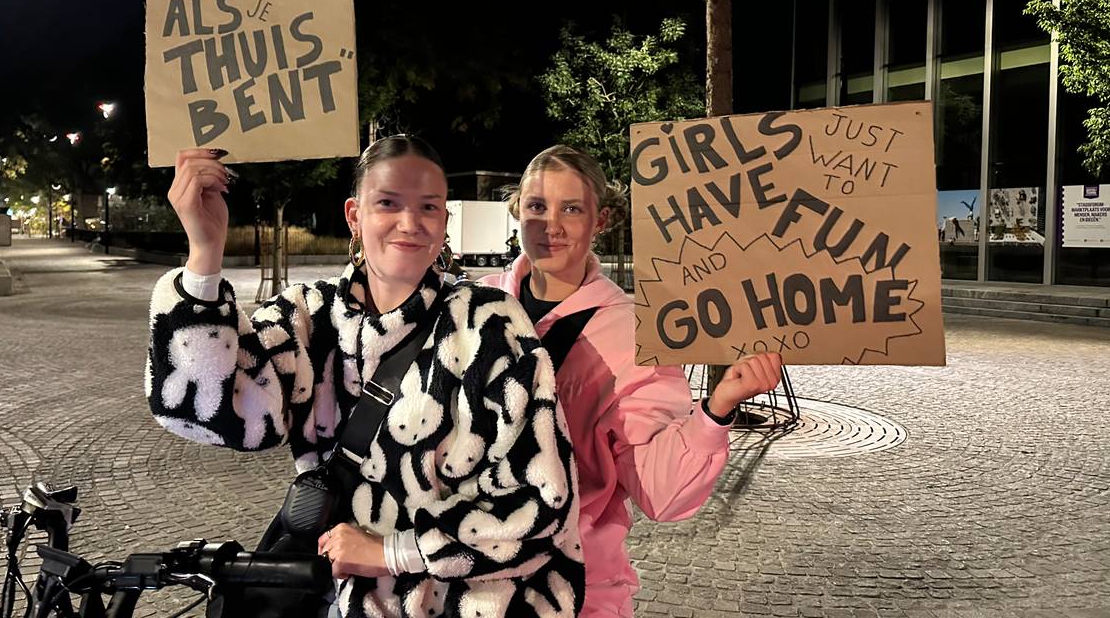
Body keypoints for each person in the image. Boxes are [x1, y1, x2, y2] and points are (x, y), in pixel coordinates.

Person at [145, 137, 585, 618]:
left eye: (429, 207)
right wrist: (204, 255)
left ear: (444, 221)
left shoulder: (489, 323)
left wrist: (393, 552)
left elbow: (542, 498)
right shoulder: (309, 316)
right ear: (354, 215)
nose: (410, 223)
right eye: (388, 203)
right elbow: (208, 412)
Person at [480, 145, 783, 617]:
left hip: (574, 589)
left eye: (572, 209)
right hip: (465, 579)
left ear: (601, 221)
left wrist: (715, 410)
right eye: (537, 206)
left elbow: (659, 491)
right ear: (518, 209)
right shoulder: (473, 305)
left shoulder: (636, 332)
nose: (550, 225)